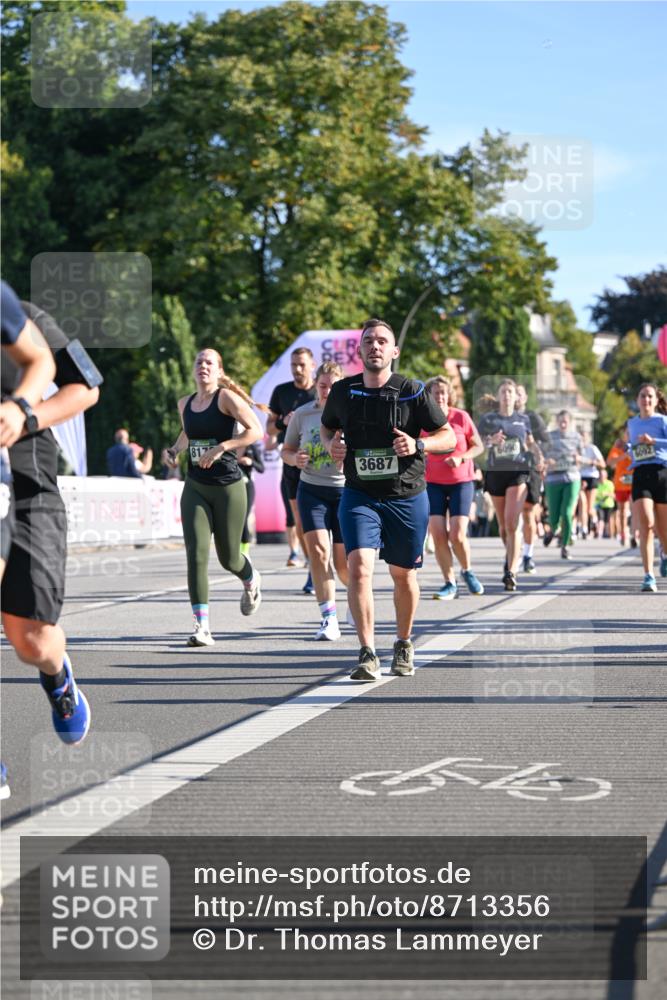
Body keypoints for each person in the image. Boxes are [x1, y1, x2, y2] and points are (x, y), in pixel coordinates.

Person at [320, 318, 456, 681]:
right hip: (360, 493)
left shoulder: (412, 391)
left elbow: (449, 436)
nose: (375, 346)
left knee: (403, 574)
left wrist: (419, 444)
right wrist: (330, 445)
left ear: (394, 351)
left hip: (407, 496)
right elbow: (327, 426)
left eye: (382, 341)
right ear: (360, 350)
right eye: (368, 341)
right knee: (359, 567)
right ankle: (366, 652)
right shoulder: (343, 392)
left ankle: (403, 642)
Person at [1, 287, 101, 748]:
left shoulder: (23, 316)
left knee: (32, 641)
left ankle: (59, 678)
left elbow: (86, 389)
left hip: (31, 491)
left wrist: (25, 418)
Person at [164, 348, 264, 645]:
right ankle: (202, 627)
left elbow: (255, 431)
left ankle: (250, 578)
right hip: (196, 486)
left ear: (219, 371)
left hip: (229, 487)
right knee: (196, 555)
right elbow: (187, 433)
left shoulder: (226, 398)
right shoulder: (185, 403)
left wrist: (223, 447)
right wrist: (174, 451)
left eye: (209, 363)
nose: (203, 366)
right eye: (199, 362)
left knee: (229, 558)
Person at [283, 361, 349, 639]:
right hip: (311, 490)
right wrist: (295, 459)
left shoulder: (350, 414)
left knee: (346, 565)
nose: (327, 391)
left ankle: (357, 602)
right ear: (316, 386)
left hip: (346, 492)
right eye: (323, 386)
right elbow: (286, 450)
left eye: (333, 386)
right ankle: (329, 617)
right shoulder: (303, 414)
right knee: (319, 554)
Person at [478, 379, 543, 591]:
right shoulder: (488, 419)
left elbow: (531, 442)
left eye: (510, 391)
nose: (507, 395)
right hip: (496, 474)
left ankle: (511, 571)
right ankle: (511, 555)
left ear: (516, 397)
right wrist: (491, 441)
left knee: (512, 522)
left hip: (518, 472)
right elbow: (478, 444)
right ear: (498, 397)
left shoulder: (523, 419)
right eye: (503, 391)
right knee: (504, 527)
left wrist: (538, 456)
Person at [423, 376, 484, 598]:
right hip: (433, 483)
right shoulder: (424, 421)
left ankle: (467, 571)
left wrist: (462, 458)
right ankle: (449, 582)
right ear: (428, 396)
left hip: (461, 482)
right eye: (435, 392)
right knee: (438, 534)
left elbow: (478, 446)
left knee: (457, 534)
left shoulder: (461, 417)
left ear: (449, 395)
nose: (440, 396)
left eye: (443, 392)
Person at [266, 347, 316, 587]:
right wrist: (282, 421)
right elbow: (269, 429)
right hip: (293, 462)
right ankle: (312, 566)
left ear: (312, 365)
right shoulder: (282, 392)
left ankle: (331, 559)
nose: (297, 369)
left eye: (302, 365)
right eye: (294, 365)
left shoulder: (322, 391)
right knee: (300, 518)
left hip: (323, 464)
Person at [627, 383, 667, 592]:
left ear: (656, 400)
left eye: (650, 396)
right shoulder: (632, 423)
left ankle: (665, 555)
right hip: (641, 474)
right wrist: (628, 450)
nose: (646, 400)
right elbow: (632, 447)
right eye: (643, 396)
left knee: (663, 530)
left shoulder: (662, 420)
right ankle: (648, 575)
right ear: (637, 400)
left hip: (662, 473)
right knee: (647, 526)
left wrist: (654, 442)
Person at [515, 384, 549, 573]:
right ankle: (513, 552)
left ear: (526, 397)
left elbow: (545, 440)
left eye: (520, 393)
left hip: (531, 469)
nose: (517, 398)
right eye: (515, 394)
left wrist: (541, 458)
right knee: (509, 518)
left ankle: (527, 555)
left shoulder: (532, 417)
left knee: (528, 513)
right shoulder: (502, 418)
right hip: (509, 470)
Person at [542, 410, 584, 559]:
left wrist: (579, 458)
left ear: (570, 422)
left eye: (566, 420)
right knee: (553, 518)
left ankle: (565, 546)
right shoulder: (550, 437)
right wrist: (548, 461)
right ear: (557, 421)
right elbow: (542, 455)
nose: (563, 423)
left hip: (571, 477)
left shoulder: (577, 437)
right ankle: (554, 531)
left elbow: (582, 456)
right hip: (553, 479)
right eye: (561, 420)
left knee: (567, 513)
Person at [236, 441, 264, 556]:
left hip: (247, 486)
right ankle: (234, 550)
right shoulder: (228, 444)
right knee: (234, 519)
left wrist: (250, 462)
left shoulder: (251, 447)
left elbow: (261, 468)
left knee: (243, 517)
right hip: (231, 486)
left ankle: (244, 552)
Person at [607, 428, 634, 546]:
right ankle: (624, 534)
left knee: (635, 510)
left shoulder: (637, 444)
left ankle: (634, 534)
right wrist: (624, 455)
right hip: (621, 482)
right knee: (622, 511)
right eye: (626, 432)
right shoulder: (618, 447)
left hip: (635, 482)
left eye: (630, 432)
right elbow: (610, 462)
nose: (627, 434)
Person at [578, 430, 605, 538]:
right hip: (580, 477)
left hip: (592, 477)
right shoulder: (577, 450)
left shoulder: (592, 448)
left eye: (584, 437)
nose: (582, 440)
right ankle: (584, 529)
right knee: (582, 504)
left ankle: (594, 522)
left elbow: (603, 464)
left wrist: (590, 462)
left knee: (589, 507)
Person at [594, 468, 616, 538]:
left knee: (608, 520)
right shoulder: (596, 483)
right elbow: (594, 494)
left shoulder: (610, 483)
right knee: (600, 518)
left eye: (603, 475)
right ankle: (599, 533)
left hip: (608, 505)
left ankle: (610, 533)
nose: (601, 476)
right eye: (600, 475)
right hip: (599, 504)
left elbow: (613, 495)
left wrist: (606, 494)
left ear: (606, 476)